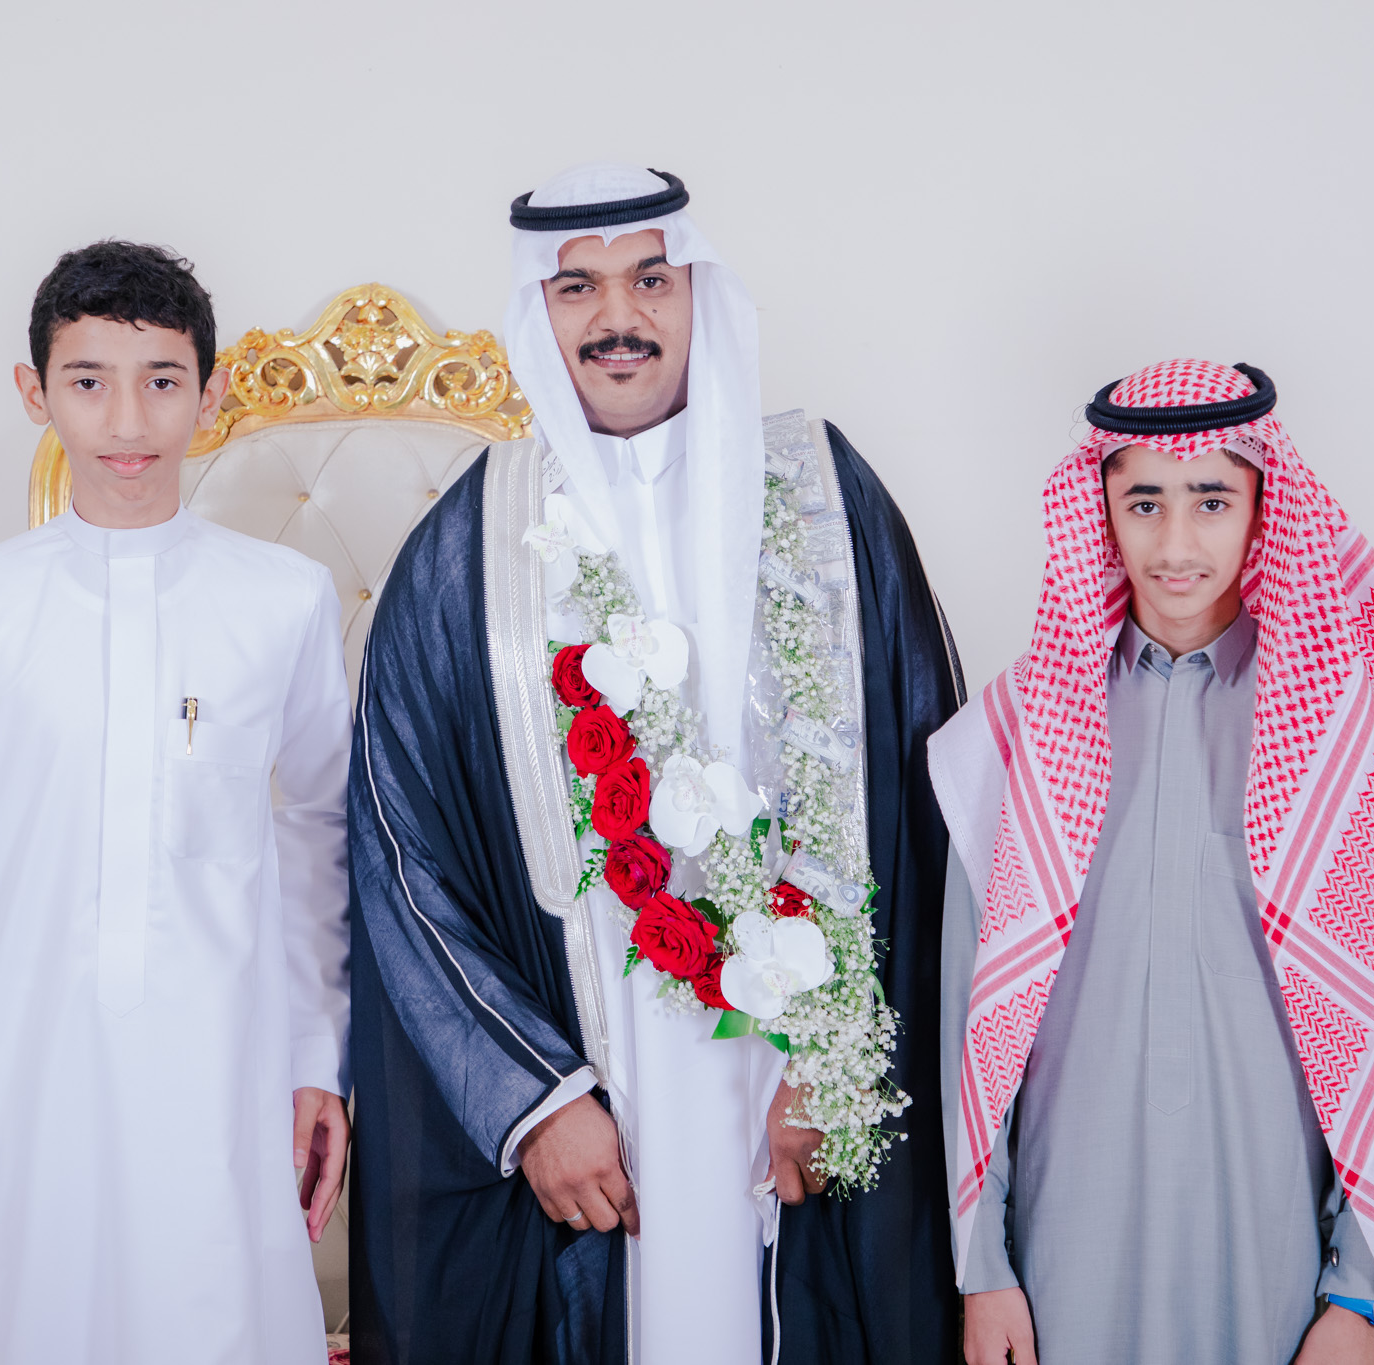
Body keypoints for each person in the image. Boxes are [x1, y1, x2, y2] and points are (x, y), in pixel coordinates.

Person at [345, 165, 962, 1364]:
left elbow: (923, 804)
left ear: (697, 295)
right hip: (592, 1087)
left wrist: (835, 1066)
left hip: (795, 1087)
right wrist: (533, 1102)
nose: (615, 317)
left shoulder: (824, 497)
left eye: (648, 280)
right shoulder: (469, 546)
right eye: (575, 287)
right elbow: (397, 853)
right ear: (537, 311)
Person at [929, 359, 1374, 1363]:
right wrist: (982, 1269)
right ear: (1100, 512)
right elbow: (965, 1025)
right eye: (1143, 503)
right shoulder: (1014, 731)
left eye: (1211, 501)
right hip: (1065, 1248)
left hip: (1271, 1251)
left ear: (1262, 510)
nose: (1174, 544)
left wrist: (1360, 1299)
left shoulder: (1340, 736)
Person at [0, 240, 353, 1363]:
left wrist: (320, 1055)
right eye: (88, 380)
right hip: (16, 1080)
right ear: (36, 393)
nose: (128, 420)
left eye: (162, 380)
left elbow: (324, 835)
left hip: (223, 1080)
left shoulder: (284, 601)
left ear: (210, 394)